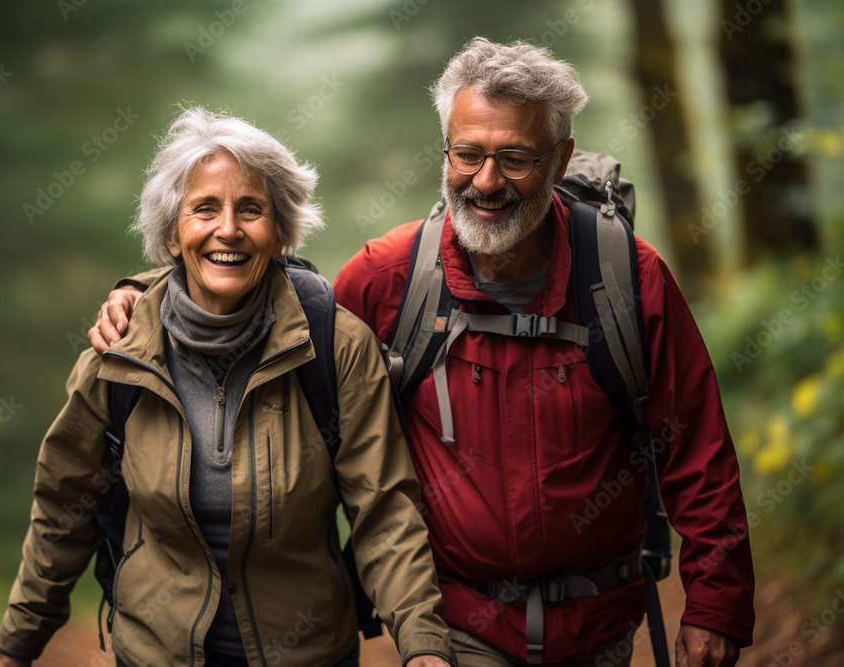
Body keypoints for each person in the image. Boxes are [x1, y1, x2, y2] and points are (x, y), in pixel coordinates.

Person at [91, 39, 755, 667]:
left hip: (601, 620)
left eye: (514, 158)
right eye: (466, 154)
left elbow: (696, 448)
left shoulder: (626, 278)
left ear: (560, 157)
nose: (485, 180)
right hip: (454, 620)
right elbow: (269, 297)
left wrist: (717, 602)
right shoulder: (391, 278)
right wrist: (148, 289)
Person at [0, 107, 455, 667]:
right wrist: (16, 648)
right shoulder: (116, 356)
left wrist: (423, 646)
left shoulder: (336, 347)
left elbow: (385, 511)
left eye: (252, 209)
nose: (228, 229)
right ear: (170, 231)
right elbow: (63, 512)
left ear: (282, 231)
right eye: (204, 208)